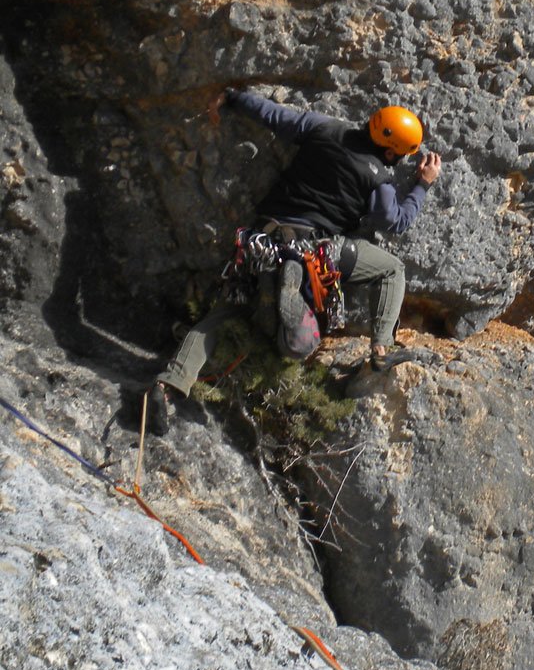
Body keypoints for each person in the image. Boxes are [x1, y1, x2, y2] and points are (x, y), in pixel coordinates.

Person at [146, 89, 442, 434]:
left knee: (224, 313)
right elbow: (396, 222)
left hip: (262, 241)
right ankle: (380, 349)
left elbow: (272, 115)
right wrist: (422, 185)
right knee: (392, 269)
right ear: (391, 151)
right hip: (317, 248)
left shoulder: (326, 128)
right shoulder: (381, 179)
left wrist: (232, 98)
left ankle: (169, 384)